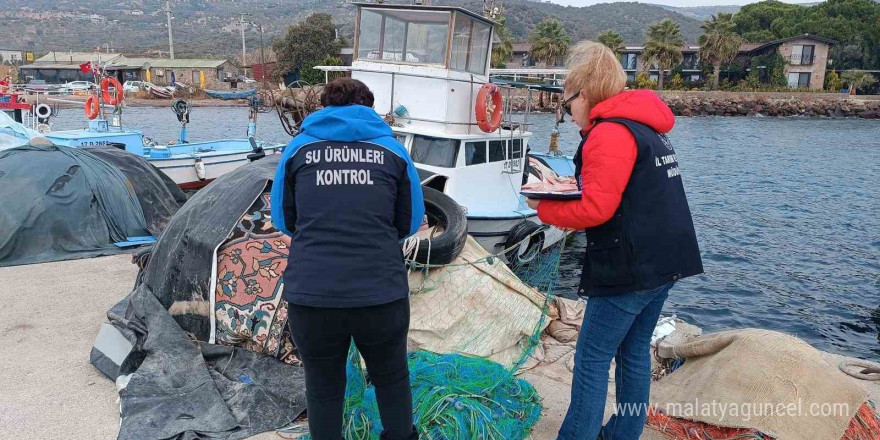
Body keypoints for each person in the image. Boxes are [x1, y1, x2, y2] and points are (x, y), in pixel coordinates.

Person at [526, 41, 703, 440]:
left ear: (583, 94)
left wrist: (543, 206)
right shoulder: (645, 127)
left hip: (631, 267)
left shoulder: (609, 133)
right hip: (667, 260)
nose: (568, 114)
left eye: (567, 103)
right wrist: (578, 183)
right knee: (633, 351)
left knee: (591, 358)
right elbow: (625, 188)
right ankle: (624, 432)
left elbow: (596, 211)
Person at [270, 78, 424, 440]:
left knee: (323, 386)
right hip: (380, 292)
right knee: (391, 377)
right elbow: (410, 221)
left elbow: (283, 219)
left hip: (313, 293)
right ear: (369, 108)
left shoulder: (297, 149)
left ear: (324, 107)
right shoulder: (394, 151)